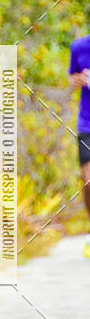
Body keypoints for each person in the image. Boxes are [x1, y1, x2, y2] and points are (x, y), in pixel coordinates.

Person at [69, 34, 90, 257]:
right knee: (88, 179)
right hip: (88, 124)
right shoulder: (79, 47)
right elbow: (71, 79)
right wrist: (77, 81)